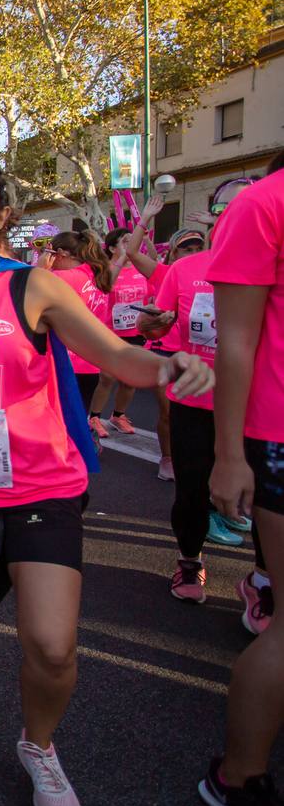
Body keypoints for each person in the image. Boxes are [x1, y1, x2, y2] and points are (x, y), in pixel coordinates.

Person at [0, 159, 212, 806]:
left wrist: (168, 365)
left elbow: (115, 356)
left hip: (40, 485)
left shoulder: (34, 287)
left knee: (50, 645)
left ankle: (38, 745)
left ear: (2, 215)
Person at [201, 154, 284, 806]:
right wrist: (229, 453)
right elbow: (236, 339)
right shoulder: (261, 204)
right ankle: (239, 776)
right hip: (279, 435)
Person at [136, 207, 268, 614]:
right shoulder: (186, 269)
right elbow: (149, 329)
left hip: (260, 406)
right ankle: (190, 563)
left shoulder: (272, 269)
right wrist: (158, 325)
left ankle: (263, 580)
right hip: (194, 401)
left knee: (266, 501)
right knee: (192, 492)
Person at [87, 193, 166, 439]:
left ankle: (118, 415)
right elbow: (106, 287)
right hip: (110, 333)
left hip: (136, 332)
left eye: (131, 241)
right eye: (124, 242)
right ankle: (94, 417)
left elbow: (156, 277)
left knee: (130, 380)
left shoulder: (141, 270)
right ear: (111, 247)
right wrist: (121, 258)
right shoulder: (107, 269)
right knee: (108, 378)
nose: (129, 245)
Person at [44, 230, 113, 414]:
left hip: (63, 363)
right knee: (79, 420)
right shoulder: (98, 275)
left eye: (48, 253)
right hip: (90, 362)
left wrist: (40, 269)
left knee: (59, 425)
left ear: (61, 253)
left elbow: (22, 295)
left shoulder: (62, 277)